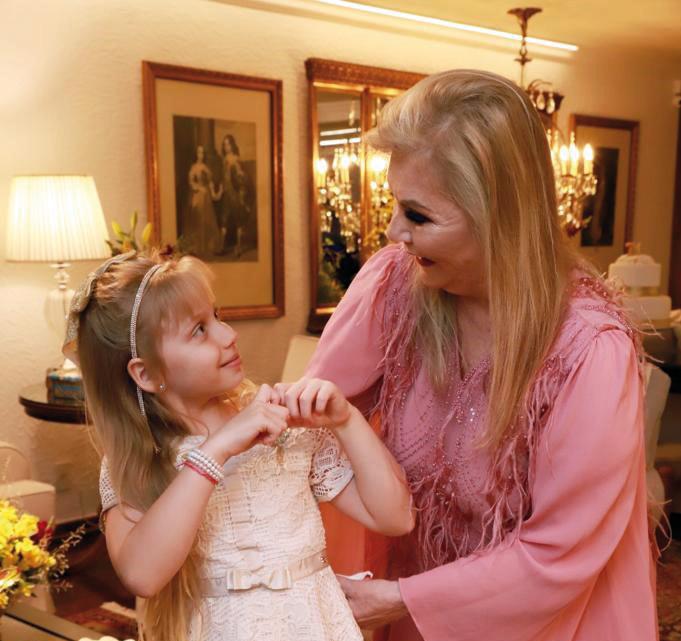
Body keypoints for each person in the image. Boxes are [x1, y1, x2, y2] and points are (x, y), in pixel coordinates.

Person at [306, 69, 658, 641]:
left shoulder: (589, 352)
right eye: (396, 205)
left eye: (418, 215)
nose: (394, 231)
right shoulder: (393, 287)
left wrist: (401, 599)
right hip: (411, 617)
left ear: (501, 217)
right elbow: (308, 423)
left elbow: (558, 554)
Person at [62, 251, 414, 641]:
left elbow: (396, 518)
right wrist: (216, 450)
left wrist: (346, 420)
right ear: (145, 373)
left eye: (217, 316)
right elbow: (143, 574)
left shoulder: (283, 424)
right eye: (198, 329)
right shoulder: (135, 462)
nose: (228, 335)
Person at [216, 134, 253, 258]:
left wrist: (240, 177)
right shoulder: (224, 159)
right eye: (224, 144)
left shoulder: (235, 159)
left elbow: (240, 176)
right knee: (224, 220)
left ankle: (239, 247)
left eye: (228, 144)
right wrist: (220, 191)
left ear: (232, 145)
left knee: (238, 220)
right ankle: (221, 246)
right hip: (226, 193)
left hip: (234, 193)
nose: (226, 147)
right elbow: (223, 177)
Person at [185, 145, 221, 257]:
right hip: (197, 196)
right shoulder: (193, 167)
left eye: (202, 153)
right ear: (196, 154)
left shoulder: (206, 168)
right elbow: (191, 183)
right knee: (198, 221)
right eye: (199, 152)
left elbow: (210, 183)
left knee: (207, 221)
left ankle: (207, 248)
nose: (201, 155)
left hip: (206, 198)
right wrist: (199, 188)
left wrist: (215, 193)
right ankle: (198, 248)